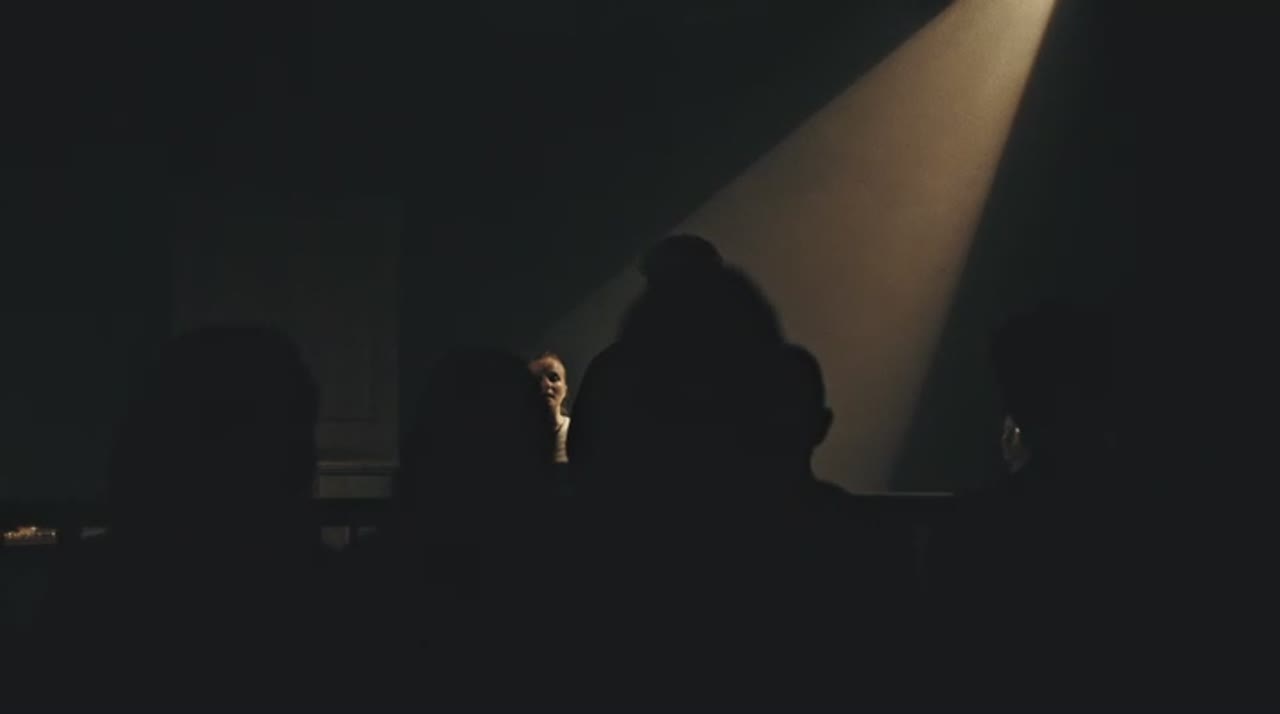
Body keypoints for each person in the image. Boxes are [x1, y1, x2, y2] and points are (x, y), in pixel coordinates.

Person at [529, 351, 571, 463]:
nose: (546, 384)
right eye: (536, 380)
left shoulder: (579, 432)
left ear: (565, 389)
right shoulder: (519, 437)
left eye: (554, 378)